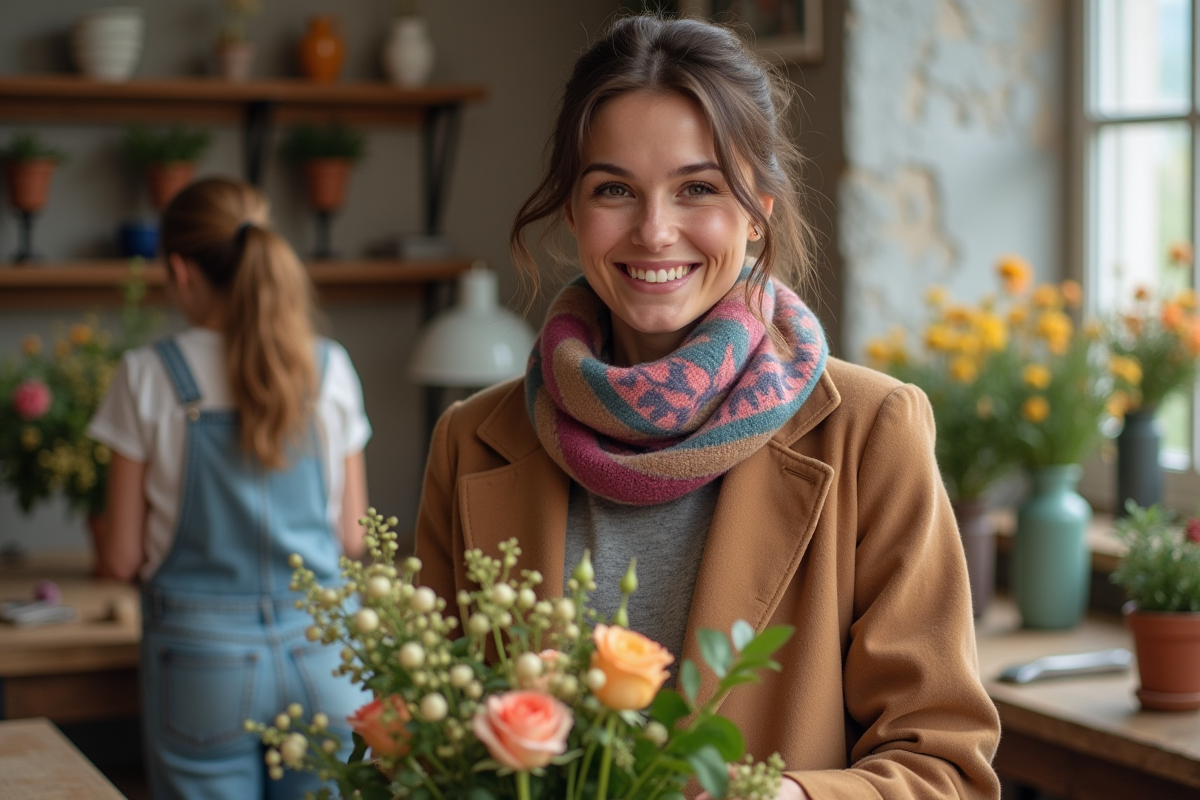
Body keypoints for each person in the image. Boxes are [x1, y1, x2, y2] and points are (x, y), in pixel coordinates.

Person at [414, 15, 1000, 800]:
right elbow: (423, 747)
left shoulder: (871, 430)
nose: (655, 232)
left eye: (698, 188)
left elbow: (945, 767)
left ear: (758, 206)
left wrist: (777, 799)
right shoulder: (471, 441)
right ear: (572, 211)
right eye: (614, 189)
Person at [88, 177, 372, 800]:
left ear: (181, 270)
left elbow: (121, 559)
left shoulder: (146, 376)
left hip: (200, 663)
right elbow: (353, 536)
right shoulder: (329, 367)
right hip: (326, 655)